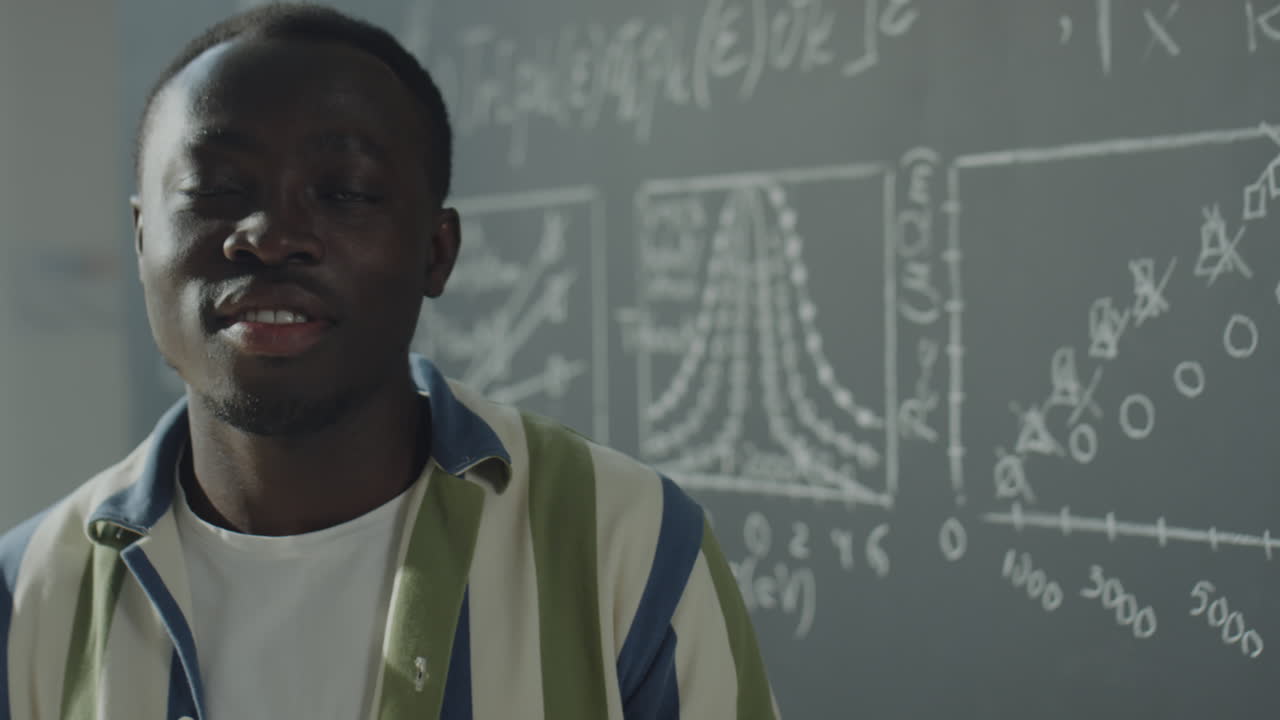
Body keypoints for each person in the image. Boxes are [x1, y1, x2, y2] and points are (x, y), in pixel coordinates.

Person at [0, 4, 778, 719]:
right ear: (142, 243)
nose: (270, 236)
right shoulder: (27, 594)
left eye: (345, 192)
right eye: (216, 188)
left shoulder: (628, 548)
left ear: (436, 254)